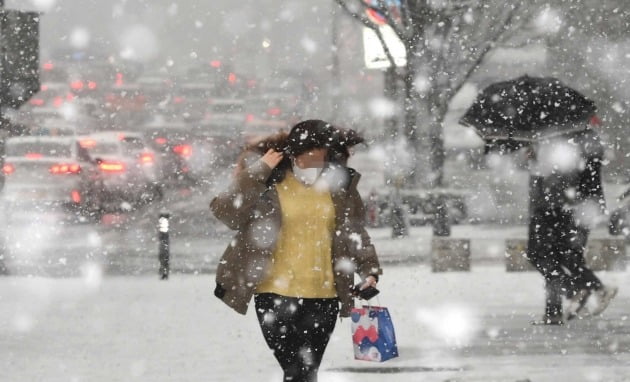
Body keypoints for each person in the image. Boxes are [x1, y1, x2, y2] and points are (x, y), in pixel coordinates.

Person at [210, 120, 382, 381]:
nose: (313, 163)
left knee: (306, 372)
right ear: (293, 153)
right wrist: (259, 170)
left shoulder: (340, 188)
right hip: (274, 295)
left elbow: (355, 233)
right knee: (295, 370)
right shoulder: (270, 183)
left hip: (323, 296)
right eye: (307, 156)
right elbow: (225, 211)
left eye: (321, 157)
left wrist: (370, 271)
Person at [527, 125, 618, 325]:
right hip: (570, 206)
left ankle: (584, 289)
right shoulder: (573, 138)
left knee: (543, 254)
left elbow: (561, 174)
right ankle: (555, 310)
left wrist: (538, 158)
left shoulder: (566, 140)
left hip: (559, 206)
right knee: (559, 255)